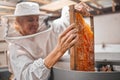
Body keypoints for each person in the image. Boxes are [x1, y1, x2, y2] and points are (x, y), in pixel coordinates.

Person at [2, 1, 90, 80]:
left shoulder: (45, 31)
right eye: (30, 20)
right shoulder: (15, 47)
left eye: (37, 19)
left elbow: (64, 21)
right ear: (18, 22)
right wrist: (58, 51)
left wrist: (74, 9)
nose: (35, 24)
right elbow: (27, 76)